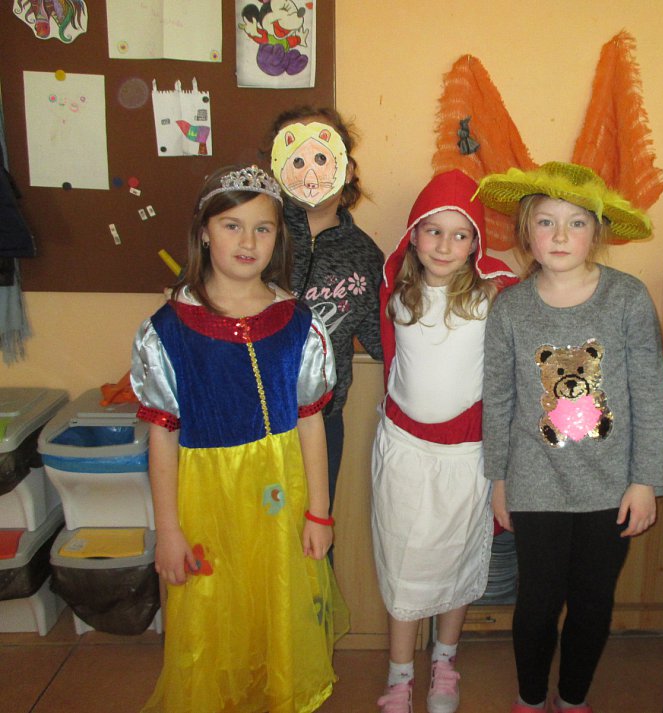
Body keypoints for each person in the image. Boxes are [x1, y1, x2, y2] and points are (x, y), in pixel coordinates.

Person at [131, 165, 349, 713]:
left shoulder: (298, 322)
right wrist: (168, 531)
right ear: (205, 232)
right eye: (232, 226)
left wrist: (319, 513)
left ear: (278, 238)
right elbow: (162, 435)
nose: (248, 242)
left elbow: (310, 421)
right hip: (208, 502)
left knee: (277, 609)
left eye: (262, 228)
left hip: (280, 500)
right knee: (214, 613)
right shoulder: (168, 329)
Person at [477, 162, 663, 713]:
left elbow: (650, 395)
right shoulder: (511, 307)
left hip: (611, 488)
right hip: (534, 485)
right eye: (546, 222)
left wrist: (645, 481)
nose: (560, 236)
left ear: (597, 231)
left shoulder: (627, 298)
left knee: (591, 604)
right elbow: (499, 399)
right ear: (526, 231)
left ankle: (573, 696)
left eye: (576, 223)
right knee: (537, 603)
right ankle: (531, 698)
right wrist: (498, 479)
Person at [372, 170, 518, 713]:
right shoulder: (397, 292)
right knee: (403, 560)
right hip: (405, 450)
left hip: (465, 455)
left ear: (476, 243)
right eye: (433, 231)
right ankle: (399, 675)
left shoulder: (493, 296)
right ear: (412, 234)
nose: (444, 245)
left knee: (456, 562)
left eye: (460, 235)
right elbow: (391, 358)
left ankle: (445, 663)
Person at [268, 106, 384, 509]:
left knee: (313, 534)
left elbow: (384, 341)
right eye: (296, 158)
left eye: (321, 155)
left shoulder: (364, 256)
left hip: (323, 423)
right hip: (246, 420)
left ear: (348, 169)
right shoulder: (255, 235)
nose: (310, 173)